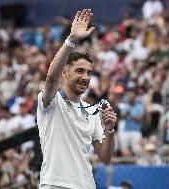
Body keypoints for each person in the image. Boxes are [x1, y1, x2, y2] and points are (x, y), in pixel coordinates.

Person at [37, 9, 117, 189]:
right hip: (55, 184)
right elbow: (50, 79)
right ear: (65, 73)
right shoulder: (51, 102)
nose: (85, 77)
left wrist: (110, 131)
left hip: (86, 185)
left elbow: (105, 158)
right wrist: (71, 40)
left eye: (89, 72)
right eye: (79, 71)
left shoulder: (92, 111)